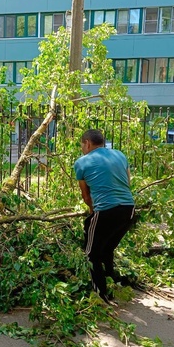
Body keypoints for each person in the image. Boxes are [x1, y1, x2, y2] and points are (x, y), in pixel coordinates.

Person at [74, 129, 135, 303]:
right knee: (107, 248)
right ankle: (112, 283)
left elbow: (86, 197)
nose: (82, 149)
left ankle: (101, 296)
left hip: (106, 210)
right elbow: (127, 183)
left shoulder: (82, 162)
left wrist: (94, 212)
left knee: (91, 254)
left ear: (87, 143)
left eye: (81, 145)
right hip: (129, 209)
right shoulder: (120, 155)